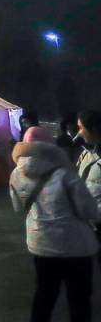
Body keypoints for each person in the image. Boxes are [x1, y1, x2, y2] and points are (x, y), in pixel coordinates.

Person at [10, 125, 99, 322]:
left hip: (41, 244)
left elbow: (18, 207)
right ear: (50, 144)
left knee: (45, 293)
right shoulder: (64, 172)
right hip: (75, 246)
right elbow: (89, 210)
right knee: (79, 298)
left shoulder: (17, 173)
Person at [76, 111, 101, 267]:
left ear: (94, 129)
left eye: (80, 127)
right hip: (91, 224)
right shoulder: (86, 153)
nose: (79, 132)